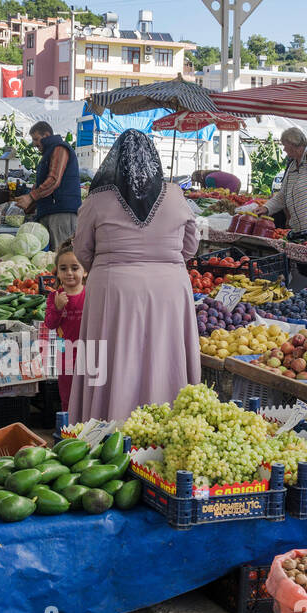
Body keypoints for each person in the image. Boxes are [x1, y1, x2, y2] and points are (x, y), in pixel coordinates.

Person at [69, 129, 199, 422]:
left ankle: (107, 423)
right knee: (164, 356)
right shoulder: (176, 195)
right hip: (169, 290)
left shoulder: (97, 199)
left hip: (114, 289)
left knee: (115, 357)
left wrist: (110, 262)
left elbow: (82, 252)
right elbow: (190, 248)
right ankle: (166, 424)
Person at [13, 121, 81, 247]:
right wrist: (30, 204)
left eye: (36, 139)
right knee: (51, 258)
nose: (34, 143)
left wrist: (31, 197)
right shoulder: (49, 152)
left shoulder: (59, 148)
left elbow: (53, 180)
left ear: (47, 135)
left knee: (61, 255)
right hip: (52, 211)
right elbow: (42, 182)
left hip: (61, 213)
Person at [43, 240, 87, 412]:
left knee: (89, 393)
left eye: (75, 268)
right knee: (67, 396)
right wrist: (58, 308)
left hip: (90, 352)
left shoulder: (91, 294)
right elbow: (50, 324)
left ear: (85, 271)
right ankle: (69, 430)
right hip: (66, 354)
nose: (69, 273)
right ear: (57, 273)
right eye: (63, 269)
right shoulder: (54, 296)